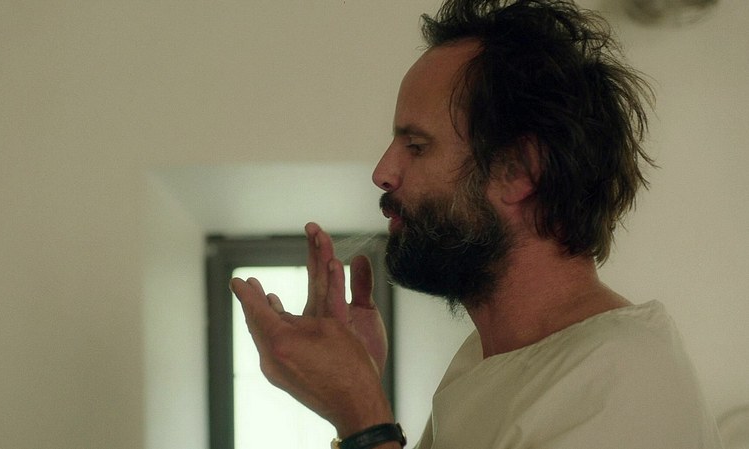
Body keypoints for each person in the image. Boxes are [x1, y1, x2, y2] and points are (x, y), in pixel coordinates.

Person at [230, 0, 723, 448]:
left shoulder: (622, 382)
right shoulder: (485, 358)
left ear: (518, 172)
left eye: (416, 146)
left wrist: (361, 413)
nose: (382, 172)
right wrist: (354, 387)